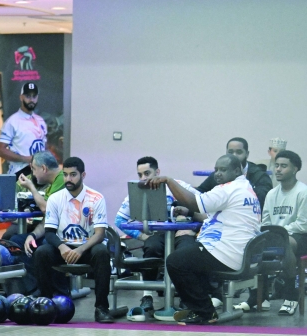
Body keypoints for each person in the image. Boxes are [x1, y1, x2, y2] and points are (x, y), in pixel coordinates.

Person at [149, 154, 261, 325]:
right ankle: (202, 306)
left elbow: (194, 202)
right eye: (216, 169)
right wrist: (191, 213)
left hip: (225, 252)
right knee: (189, 256)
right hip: (236, 251)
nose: (217, 173)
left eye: (223, 170)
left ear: (237, 170)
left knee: (175, 261)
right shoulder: (245, 188)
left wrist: (169, 182)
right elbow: (214, 216)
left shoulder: (228, 188)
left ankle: (204, 312)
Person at [28, 157, 114, 323]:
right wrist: (62, 248)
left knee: (102, 252)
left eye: (73, 175)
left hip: (87, 247)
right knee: (41, 253)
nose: (68, 179)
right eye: (66, 175)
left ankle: (101, 308)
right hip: (64, 248)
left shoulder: (96, 198)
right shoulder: (55, 198)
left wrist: (80, 249)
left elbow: (100, 234)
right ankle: (46, 304)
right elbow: (50, 233)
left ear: (83, 175)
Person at [113, 155, 198, 315]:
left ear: (157, 172)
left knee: (187, 251)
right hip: (158, 235)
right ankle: (147, 297)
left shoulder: (178, 186)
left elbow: (202, 203)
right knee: (150, 247)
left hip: (182, 233)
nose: (144, 178)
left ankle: (187, 301)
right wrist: (143, 237)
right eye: (140, 175)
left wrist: (193, 225)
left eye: (147, 173)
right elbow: (119, 220)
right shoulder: (137, 191)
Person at [261, 150, 307, 315]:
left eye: (283, 166)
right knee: (252, 243)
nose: (278, 169)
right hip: (275, 235)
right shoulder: (271, 194)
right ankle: (259, 297)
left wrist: (280, 232)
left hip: (300, 238)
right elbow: (265, 222)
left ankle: (291, 296)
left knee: (286, 243)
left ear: (295, 169)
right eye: (277, 165)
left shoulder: (303, 192)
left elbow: (302, 225)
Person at [197, 138, 272, 206]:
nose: (234, 156)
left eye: (239, 152)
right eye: (230, 152)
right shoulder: (219, 174)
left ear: (247, 154)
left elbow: (261, 203)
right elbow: (199, 193)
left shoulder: (259, 176)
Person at [0, 82, 47, 175]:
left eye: (34, 96)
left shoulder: (40, 121)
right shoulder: (12, 122)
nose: (31, 99)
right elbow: (0, 150)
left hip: (39, 173)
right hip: (19, 173)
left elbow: (43, 147)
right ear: (21, 97)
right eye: (28, 96)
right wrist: (26, 159)